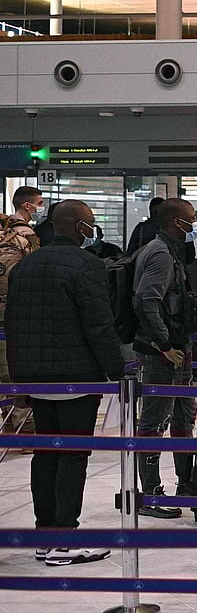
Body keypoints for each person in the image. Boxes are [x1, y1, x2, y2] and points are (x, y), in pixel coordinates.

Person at [5, 199, 125, 566]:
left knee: (46, 454)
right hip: (75, 377)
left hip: (34, 376)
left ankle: (45, 535)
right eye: (90, 223)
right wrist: (116, 371)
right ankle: (65, 539)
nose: (94, 229)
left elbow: (12, 326)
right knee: (73, 455)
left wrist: (18, 379)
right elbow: (98, 326)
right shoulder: (86, 264)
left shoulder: (25, 266)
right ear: (78, 227)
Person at [132, 198, 197, 519]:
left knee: (183, 416)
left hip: (176, 348)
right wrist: (163, 343)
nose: (195, 224)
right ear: (177, 222)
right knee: (154, 422)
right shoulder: (159, 253)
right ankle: (150, 493)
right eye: (192, 219)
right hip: (163, 352)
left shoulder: (169, 250)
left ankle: (185, 482)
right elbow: (147, 300)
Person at [0, 186, 43, 438]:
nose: (41, 206)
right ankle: (22, 427)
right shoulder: (25, 234)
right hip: (14, 311)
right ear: (27, 206)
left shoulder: (4, 231)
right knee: (13, 369)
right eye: (39, 202)